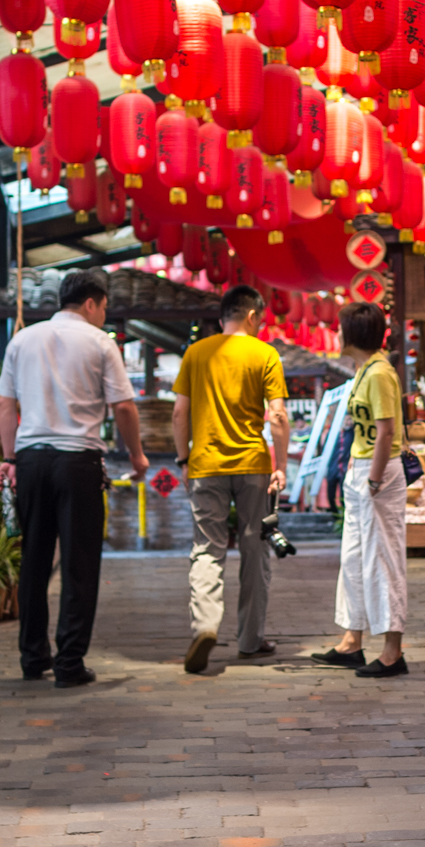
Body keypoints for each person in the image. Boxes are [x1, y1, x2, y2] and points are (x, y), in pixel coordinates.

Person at [0, 269, 146, 687]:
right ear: (93, 303)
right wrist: (136, 455)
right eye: (104, 308)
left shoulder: (22, 339)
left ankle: (32, 658)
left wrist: (9, 458)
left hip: (30, 462)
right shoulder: (100, 342)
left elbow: (6, 406)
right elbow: (125, 408)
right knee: (79, 564)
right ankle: (69, 663)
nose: (104, 315)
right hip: (77, 461)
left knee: (35, 562)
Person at [171, 285, 294, 674]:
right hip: (253, 466)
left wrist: (183, 458)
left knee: (207, 549)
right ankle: (250, 641)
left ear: (223, 316)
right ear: (253, 315)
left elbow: (179, 413)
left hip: (206, 464)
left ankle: (205, 627)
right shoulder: (265, 353)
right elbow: (277, 416)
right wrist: (282, 465)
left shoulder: (195, 353)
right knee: (254, 548)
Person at [310, 300, 410, 677]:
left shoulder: (380, 373)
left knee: (381, 560)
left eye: (339, 329)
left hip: (377, 474)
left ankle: (391, 651)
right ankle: (352, 640)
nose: (335, 334)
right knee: (353, 559)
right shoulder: (366, 371)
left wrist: (373, 478)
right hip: (364, 470)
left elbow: (387, 432)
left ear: (352, 334)